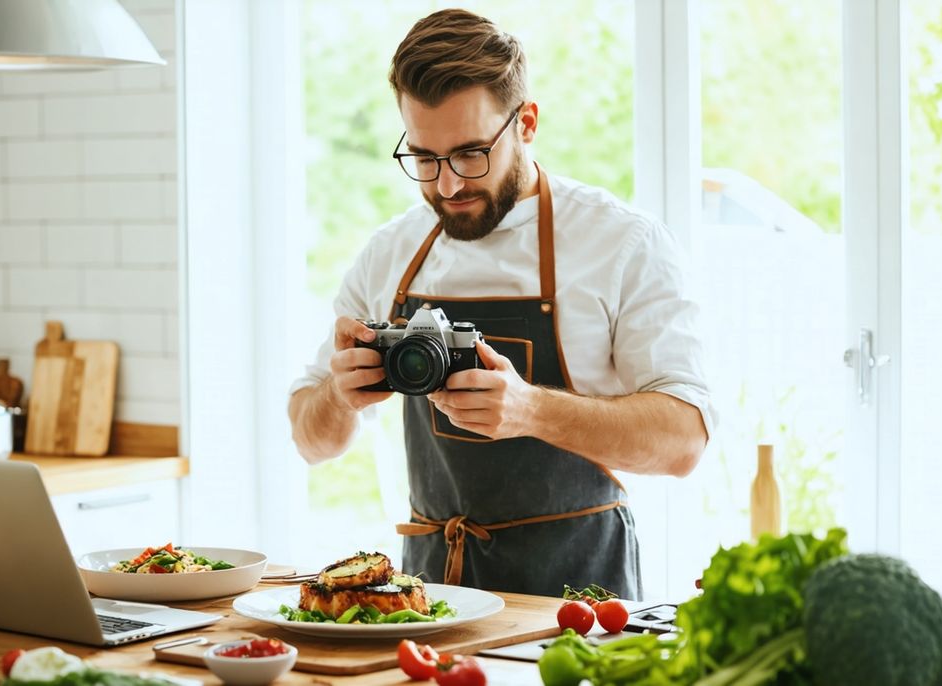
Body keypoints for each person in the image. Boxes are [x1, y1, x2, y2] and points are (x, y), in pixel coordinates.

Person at [287, 8, 713, 600]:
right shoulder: (389, 253)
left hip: (579, 600)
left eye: (470, 154)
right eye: (425, 159)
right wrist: (338, 395)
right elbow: (312, 443)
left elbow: (684, 440)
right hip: (430, 599)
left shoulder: (622, 244)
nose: (448, 186)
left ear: (527, 123)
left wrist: (533, 410)